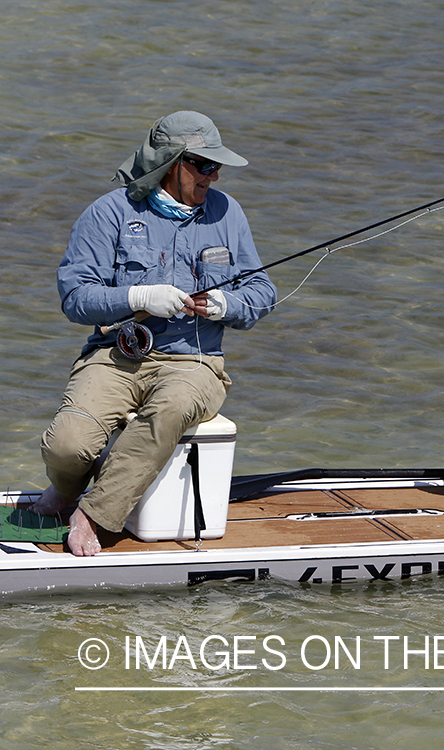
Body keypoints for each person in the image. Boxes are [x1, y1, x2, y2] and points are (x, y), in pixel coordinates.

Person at [31, 111, 277, 556]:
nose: (213, 174)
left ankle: (93, 514)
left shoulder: (226, 212)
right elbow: (75, 298)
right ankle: (64, 488)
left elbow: (261, 290)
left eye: (215, 165)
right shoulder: (109, 213)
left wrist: (228, 306)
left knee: (174, 406)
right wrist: (138, 296)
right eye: (202, 164)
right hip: (116, 355)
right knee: (68, 445)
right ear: (170, 163)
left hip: (194, 362)